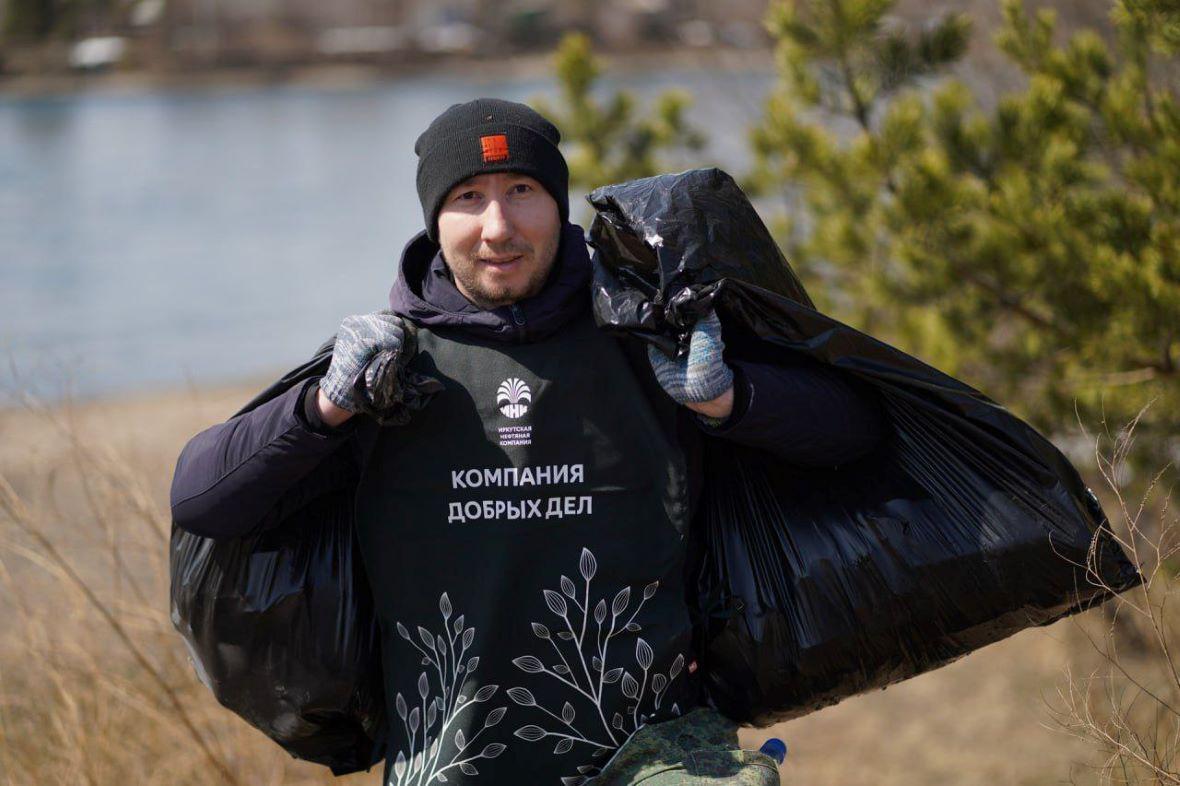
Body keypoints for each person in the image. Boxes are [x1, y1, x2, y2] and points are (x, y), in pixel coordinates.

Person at [170, 98, 887, 785]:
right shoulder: (389, 372)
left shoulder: (644, 335)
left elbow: (855, 434)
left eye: (522, 190)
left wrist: (727, 399)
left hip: (657, 759)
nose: (498, 227)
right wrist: (323, 406)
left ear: (558, 203)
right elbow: (203, 500)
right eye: (468, 198)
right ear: (434, 219)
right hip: (448, 766)